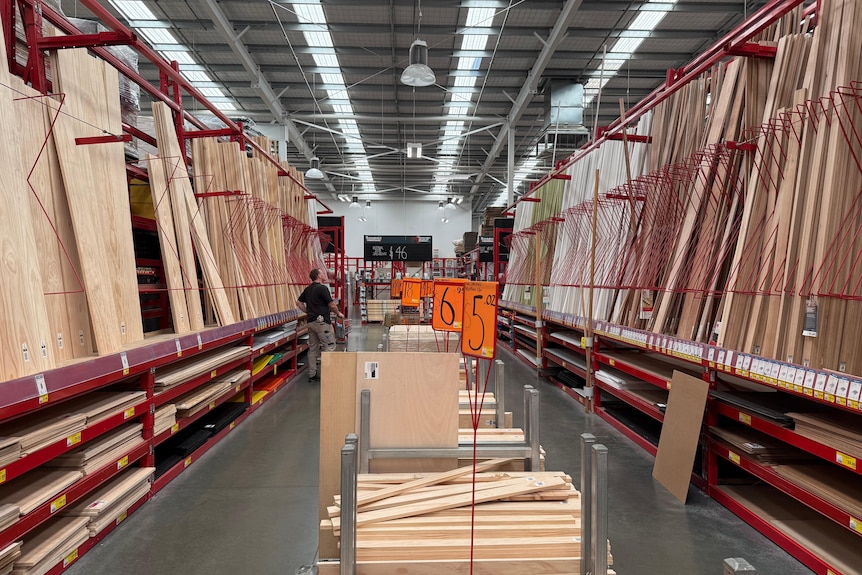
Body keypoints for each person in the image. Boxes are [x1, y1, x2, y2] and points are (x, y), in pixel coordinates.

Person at [297, 268, 344, 381]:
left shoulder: (308, 289)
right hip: (322, 323)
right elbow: (332, 305)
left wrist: (308, 312)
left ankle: (312, 374)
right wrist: (338, 313)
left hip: (311, 322)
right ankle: (328, 374)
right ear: (318, 275)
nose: (324, 274)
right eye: (322, 273)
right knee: (329, 346)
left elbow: (298, 303)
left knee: (313, 349)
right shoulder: (322, 288)